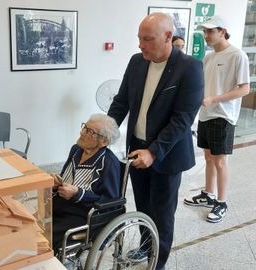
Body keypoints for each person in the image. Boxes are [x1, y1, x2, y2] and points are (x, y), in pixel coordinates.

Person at [107, 13, 204, 270]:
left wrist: (153, 151)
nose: (141, 44)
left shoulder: (190, 68)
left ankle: (157, 263)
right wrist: (103, 131)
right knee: (143, 208)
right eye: (139, 38)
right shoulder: (137, 62)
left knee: (162, 215)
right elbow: (121, 102)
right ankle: (145, 247)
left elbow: (182, 120)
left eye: (147, 39)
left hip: (166, 155)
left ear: (168, 37)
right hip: (136, 150)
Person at [184, 16, 250, 223]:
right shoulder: (209, 57)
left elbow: (244, 89)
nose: (206, 35)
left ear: (223, 31)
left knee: (220, 160)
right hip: (206, 114)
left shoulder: (238, 55)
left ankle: (222, 202)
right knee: (209, 157)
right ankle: (208, 194)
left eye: (210, 31)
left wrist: (215, 99)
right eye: (205, 31)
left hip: (223, 115)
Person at [52, 113, 121, 252]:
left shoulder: (108, 163)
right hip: (61, 205)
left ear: (104, 141)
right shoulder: (76, 150)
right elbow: (68, 178)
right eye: (85, 127)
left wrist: (79, 194)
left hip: (83, 215)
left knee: (47, 234)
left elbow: (111, 203)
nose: (82, 132)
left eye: (90, 131)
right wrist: (57, 183)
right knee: (33, 222)